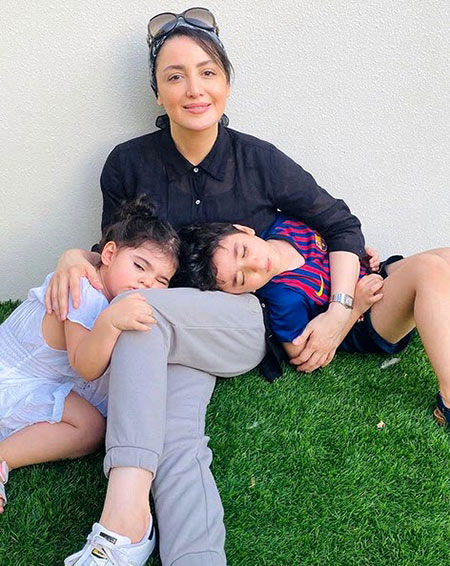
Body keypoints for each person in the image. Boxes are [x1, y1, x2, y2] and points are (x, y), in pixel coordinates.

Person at [47, 8, 372, 566]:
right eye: (175, 76)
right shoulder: (127, 164)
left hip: (236, 323)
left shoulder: (258, 159)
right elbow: (117, 250)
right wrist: (73, 255)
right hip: (162, 331)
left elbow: (341, 225)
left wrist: (340, 312)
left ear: (226, 82)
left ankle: (122, 519)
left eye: (207, 72)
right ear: (157, 91)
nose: (194, 89)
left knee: (139, 309)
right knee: (175, 436)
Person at [0, 197, 179, 532]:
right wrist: (110, 322)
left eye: (162, 281)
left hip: (45, 379)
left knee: (94, 420)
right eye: (140, 267)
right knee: (90, 428)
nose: (148, 283)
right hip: (12, 378)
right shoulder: (83, 288)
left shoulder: (107, 291)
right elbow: (85, 365)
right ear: (108, 255)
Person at [176, 217, 450, 427]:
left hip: (372, 275)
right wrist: (356, 306)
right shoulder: (283, 298)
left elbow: (339, 242)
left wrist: (360, 255)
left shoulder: (288, 225)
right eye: (241, 279)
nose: (256, 266)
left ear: (244, 230)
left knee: (444, 258)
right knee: (429, 269)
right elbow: (303, 357)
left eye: (244, 252)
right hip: (367, 318)